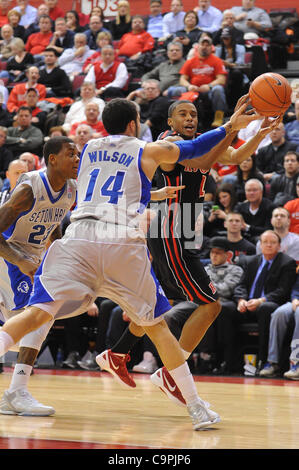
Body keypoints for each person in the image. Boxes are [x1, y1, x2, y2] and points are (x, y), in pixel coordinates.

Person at [0, 98, 261, 430]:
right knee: (158, 327)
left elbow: (110, 183)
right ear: (134, 124)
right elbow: (196, 149)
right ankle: (196, 408)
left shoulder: (88, 147)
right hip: (121, 239)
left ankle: (100, 359)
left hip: (79, 236)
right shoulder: (148, 148)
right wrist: (230, 126)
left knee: (37, 314)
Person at [97, 98, 278, 404]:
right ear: (170, 122)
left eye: (194, 113)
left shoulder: (196, 143)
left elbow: (232, 156)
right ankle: (171, 372)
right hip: (171, 227)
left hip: (184, 229)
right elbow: (205, 163)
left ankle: (117, 353)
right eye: (183, 114)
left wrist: (259, 134)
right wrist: (231, 126)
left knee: (160, 304)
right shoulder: (169, 144)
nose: (190, 117)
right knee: (211, 304)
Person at [0, 136, 78, 416]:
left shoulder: (71, 190)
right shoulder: (29, 189)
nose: (77, 159)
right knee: (33, 319)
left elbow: (52, 225)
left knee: (41, 317)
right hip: (8, 254)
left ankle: (15, 393)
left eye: (78, 154)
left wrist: (54, 254)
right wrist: (20, 260)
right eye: (71, 154)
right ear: (52, 159)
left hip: (31, 256)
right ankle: (16, 391)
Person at [234, 230, 297, 371]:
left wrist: (261, 300)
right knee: (225, 309)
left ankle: (264, 360)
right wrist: (241, 300)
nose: (269, 245)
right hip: (247, 303)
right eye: (265, 242)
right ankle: (226, 361)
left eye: (273, 242)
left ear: (279, 246)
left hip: (268, 304)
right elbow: (241, 285)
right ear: (260, 245)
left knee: (265, 308)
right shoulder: (251, 261)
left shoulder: (287, 263)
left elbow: (283, 291)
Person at [199, 236, 244, 374]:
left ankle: (223, 357)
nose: (214, 255)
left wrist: (207, 288)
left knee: (221, 309)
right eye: (212, 252)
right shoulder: (203, 269)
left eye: (218, 252)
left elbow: (226, 289)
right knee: (181, 310)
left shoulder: (235, 270)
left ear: (227, 254)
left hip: (226, 303)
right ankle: (202, 356)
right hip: (204, 303)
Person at [179, 35, 228, 128]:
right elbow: (182, 79)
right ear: (198, 47)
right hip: (194, 89)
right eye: (202, 44)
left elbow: (221, 79)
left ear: (211, 48)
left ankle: (218, 118)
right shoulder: (190, 61)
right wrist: (189, 86)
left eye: (207, 45)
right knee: (175, 90)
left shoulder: (217, 61)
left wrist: (209, 86)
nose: (205, 47)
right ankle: (183, 120)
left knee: (218, 89)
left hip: (210, 90)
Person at [259, 273, 299, 380]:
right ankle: (273, 362)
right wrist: (295, 298)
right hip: (296, 301)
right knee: (279, 314)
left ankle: (296, 363)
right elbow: (296, 287)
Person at [215, 26, 249, 109]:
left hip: (237, 74)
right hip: (222, 73)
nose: (225, 40)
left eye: (227, 38)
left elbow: (239, 63)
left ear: (232, 38)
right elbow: (216, 63)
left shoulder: (240, 48)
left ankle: (236, 105)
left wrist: (227, 64)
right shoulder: (219, 49)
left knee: (236, 73)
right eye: (223, 38)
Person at [235, 178, 276, 244]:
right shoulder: (241, 207)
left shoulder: (270, 207)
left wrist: (247, 227)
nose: (251, 193)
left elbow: (269, 230)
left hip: (263, 241)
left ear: (261, 192)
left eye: (255, 190)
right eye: (248, 190)